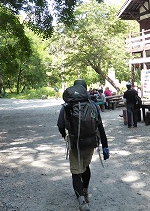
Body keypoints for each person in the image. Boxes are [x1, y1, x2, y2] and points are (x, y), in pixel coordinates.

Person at [57, 79, 109, 211]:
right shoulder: (93, 105)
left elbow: (60, 125)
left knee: (76, 172)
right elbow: (100, 127)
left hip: (75, 143)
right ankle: (85, 191)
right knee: (85, 167)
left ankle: (81, 201)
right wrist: (105, 146)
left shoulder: (67, 106)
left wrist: (64, 135)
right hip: (91, 143)